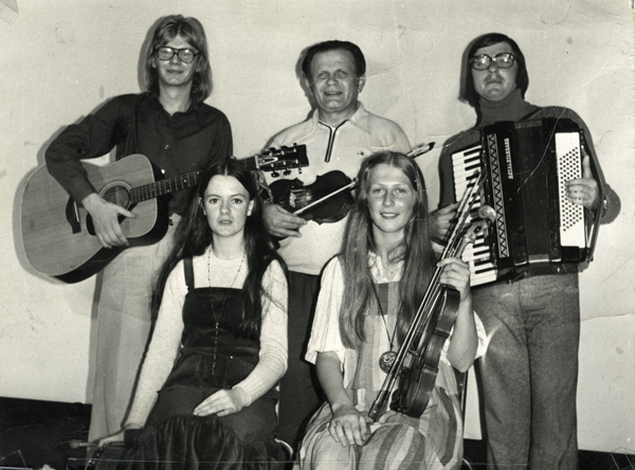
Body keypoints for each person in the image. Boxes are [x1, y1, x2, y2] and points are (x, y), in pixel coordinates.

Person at [433, 33, 620, 470]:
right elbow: (452, 236)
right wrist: (436, 228)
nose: (492, 68)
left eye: (504, 59)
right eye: (481, 62)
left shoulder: (561, 120)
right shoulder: (456, 149)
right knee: (502, 415)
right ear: (470, 76)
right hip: (490, 296)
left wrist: (596, 197)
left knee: (556, 411)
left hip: (554, 287)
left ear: (519, 70)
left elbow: (607, 206)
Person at [44, 15, 233, 443]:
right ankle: (107, 456)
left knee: (179, 365)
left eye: (186, 52)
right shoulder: (125, 110)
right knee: (121, 365)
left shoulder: (216, 125)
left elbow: (217, 193)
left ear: (199, 62)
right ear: (152, 58)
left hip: (187, 250)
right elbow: (60, 151)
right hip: (128, 249)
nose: (175, 60)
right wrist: (94, 202)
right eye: (166, 50)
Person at [262, 40, 412, 447]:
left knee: (359, 380)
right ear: (308, 84)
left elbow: (406, 204)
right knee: (295, 381)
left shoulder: (387, 134)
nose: (331, 82)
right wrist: (265, 216)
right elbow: (259, 205)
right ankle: (298, 454)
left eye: (341, 73)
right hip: (295, 281)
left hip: (360, 282)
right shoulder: (283, 140)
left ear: (360, 81)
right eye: (321, 75)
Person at [297, 152, 486, 469]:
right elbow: (327, 356)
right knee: (329, 459)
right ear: (364, 199)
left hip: (421, 403)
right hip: (351, 399)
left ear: (416, 199)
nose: (388, 201)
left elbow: (462, 360)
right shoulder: (341, 270)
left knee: (386, 461)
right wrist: (342, 407)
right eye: (377, 190)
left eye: (400, 190)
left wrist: (464, 301)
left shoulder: (438, 265)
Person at [97, 158, 288, 468]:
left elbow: (276, 356)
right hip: (188, 381)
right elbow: (160, 354)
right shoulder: (184, 270)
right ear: (202, 206)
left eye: (235, 200)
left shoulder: (269, 269)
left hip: (247, 385)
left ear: (251, 207)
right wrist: (134, 425)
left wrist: (240, 395)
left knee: (222, 438)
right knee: (170, 433)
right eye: (215, 200)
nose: (225, 210)